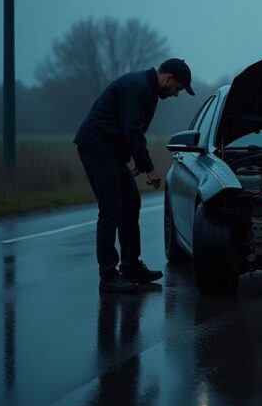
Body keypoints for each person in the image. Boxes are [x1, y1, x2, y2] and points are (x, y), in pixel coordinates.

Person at [75, 58, 195, 292]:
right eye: (178, 88)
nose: (175, 94)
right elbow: (132, 131)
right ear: (168, 78)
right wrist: (149, 167)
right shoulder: (137, 87)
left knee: (131, 202)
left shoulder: (148, 90)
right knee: (111, 210)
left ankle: (131, 266)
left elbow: (130, 129)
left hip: (112, 151)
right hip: (97, 148)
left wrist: (136, 157)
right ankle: (109, 275)